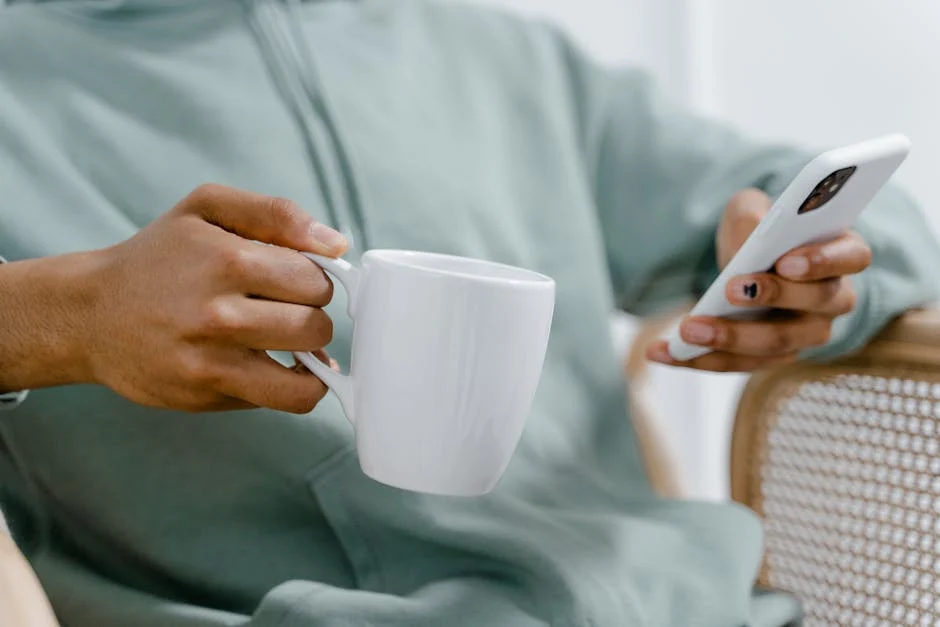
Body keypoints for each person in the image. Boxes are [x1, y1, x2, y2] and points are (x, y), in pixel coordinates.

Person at [0, 1, 937, 626]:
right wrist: (66, 316)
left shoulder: (495, 49)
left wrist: (826, 272)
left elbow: (859, 207)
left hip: (691, 605)